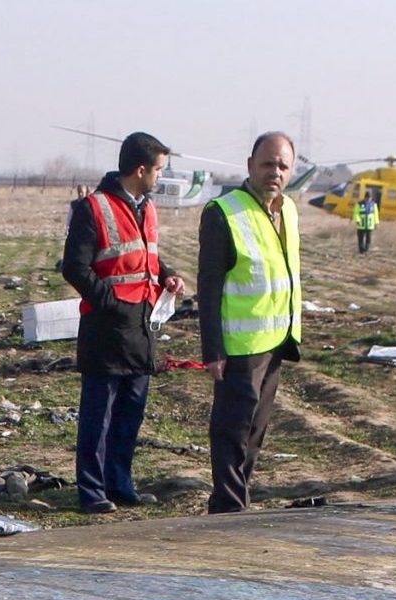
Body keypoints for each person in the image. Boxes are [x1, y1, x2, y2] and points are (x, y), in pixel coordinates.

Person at [58, 131, 185, 513]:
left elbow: (146, 256)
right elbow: (74, 268)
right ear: (141, 169)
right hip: (107, 328)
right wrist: (111, 303)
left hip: (142, 326)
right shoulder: (92, 208)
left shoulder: (147, 207)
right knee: (99, 415)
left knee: (131, 412)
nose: (160, 177)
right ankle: (92, 491)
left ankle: (120, 483)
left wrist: (168, 275)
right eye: (159, 170)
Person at [198, 132, 305, 515]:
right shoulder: (223, 212)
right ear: (249, 166)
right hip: (239, 346)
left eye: (282, 166)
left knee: (255, 432)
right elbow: (208, 287)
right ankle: (227, 507)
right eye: (267, 164)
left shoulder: (288, 210)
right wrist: (212, 349)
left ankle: (239, 498)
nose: (274, 172)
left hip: (275, 338)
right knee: (232, 429)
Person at [354, 188, 379, 254]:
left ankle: (366, 249)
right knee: (361, 238)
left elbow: (376, 214)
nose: (368, 199)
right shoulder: (359, 204)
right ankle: (361, 250)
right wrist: (357, 220)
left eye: (369, 198)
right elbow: (356, 213)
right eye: (367, 198)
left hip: (370, 224)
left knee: (368, 238)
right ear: (365, 197)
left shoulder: (373, 205)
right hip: (361, 224)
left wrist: (376, 223)